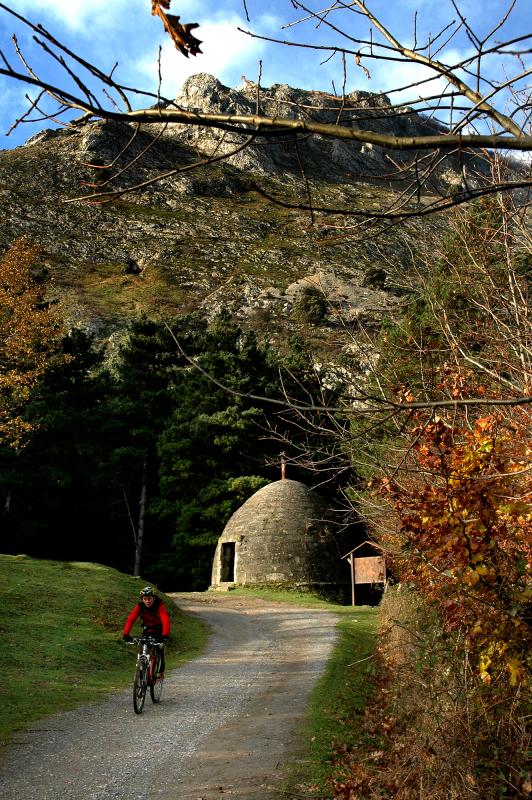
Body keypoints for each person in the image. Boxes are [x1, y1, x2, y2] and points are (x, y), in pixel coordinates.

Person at [123, 586, 170, 677]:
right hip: (147, 629)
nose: (147, 601)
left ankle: (160, 671)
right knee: (144, 646)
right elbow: (130, 620)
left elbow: (165, 621)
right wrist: (126, 634)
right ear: (142, 600)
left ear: (154, 598)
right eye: (145, 599)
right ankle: (144, 667)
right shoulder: (140, 606)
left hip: (159, 630)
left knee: (159, 649)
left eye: (149, 599)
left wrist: (164, 635)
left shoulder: (159, 605)